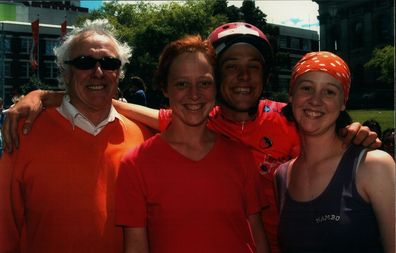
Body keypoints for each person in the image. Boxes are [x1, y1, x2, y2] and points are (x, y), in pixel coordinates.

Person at [0, 22, 380, 253]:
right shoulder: (182, 128)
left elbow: (322, 128)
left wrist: (351, 133)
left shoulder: (290, 119)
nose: (243, 78)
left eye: (109, 63)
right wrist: (46, 97)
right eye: (84, 63)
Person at [0, 19, 152, 253]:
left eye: (110, 63)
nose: (98, 72)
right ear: (65, 72)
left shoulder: (143, 137)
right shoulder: (24, 133)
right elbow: (5, 228)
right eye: (84, 62)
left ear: (119, 73)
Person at [116, 34, 269, 253]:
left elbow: (257, 236)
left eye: (204, 83)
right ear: (165, 88)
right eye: (182, 84)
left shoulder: (241, 156)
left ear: (216, 87)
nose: (194, 94)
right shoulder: (135, 164)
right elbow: (136, 246)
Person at [275, 51, 395, 253]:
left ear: (342, 103)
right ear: (291, 95)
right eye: (306, 88)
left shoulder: (373, 166)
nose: (315, 100)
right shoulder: (282, 175)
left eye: (329, 92)